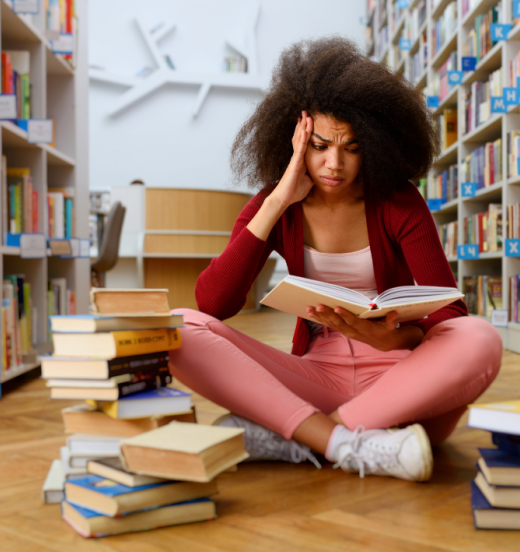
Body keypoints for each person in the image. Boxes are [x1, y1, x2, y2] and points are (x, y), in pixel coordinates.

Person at [168, 37, 502, 482]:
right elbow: (213, 303)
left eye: (352, 147)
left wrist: (385, 339)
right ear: (294, 142)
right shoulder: (277, 203)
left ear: (375, 144)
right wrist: (277, 200)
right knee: (177, 327)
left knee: (478, 336)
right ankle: (345, 444)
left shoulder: (397, 201)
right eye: (320, 145)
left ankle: (309, 438)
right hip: (317, 376)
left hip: (403, 380)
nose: (334, 164)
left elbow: (449, 315)